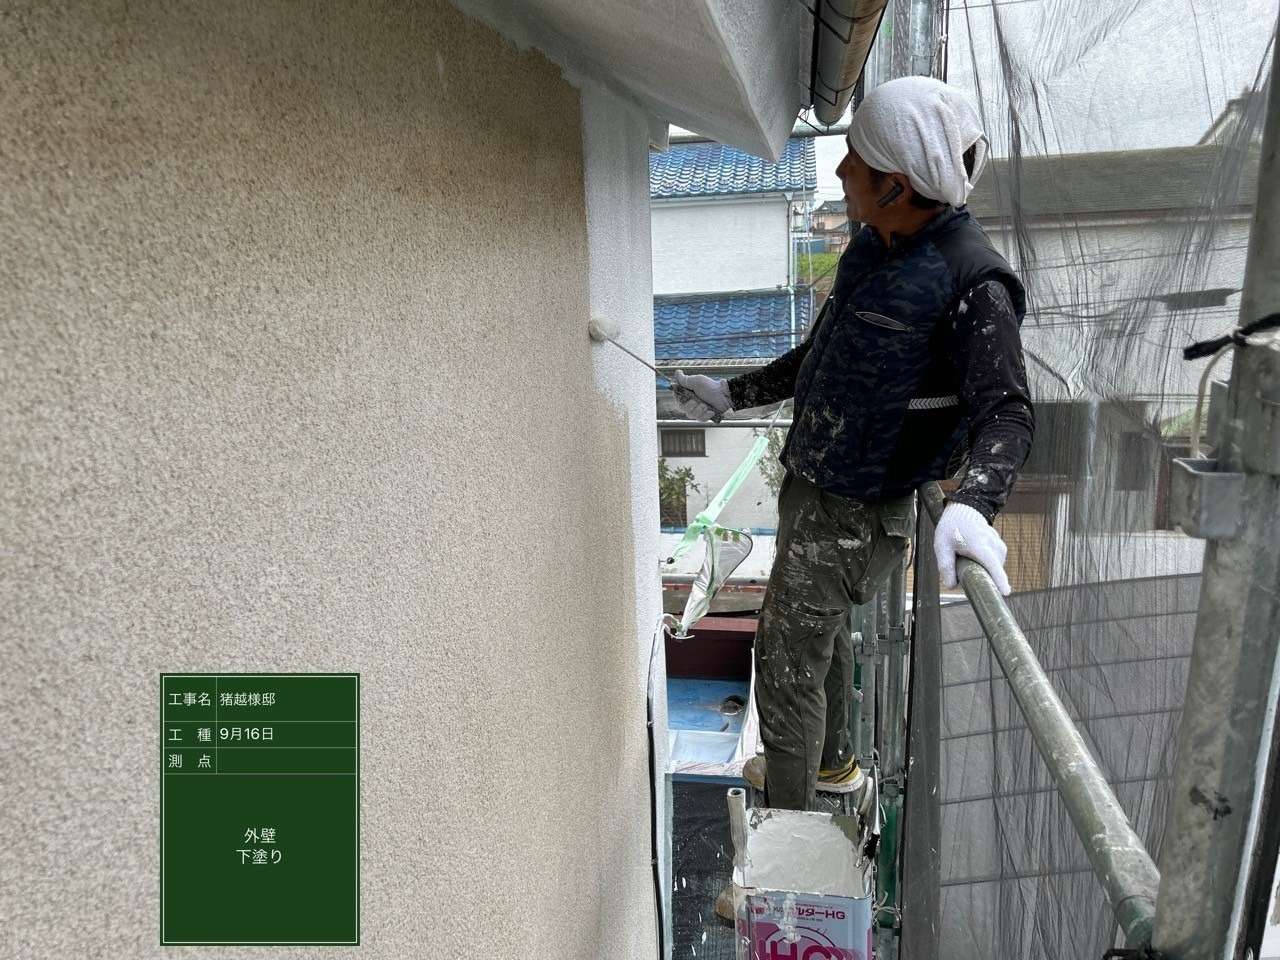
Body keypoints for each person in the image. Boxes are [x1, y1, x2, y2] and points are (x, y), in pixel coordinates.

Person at [673, 76, 1034, 826]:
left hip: (859, 512)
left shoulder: (972, 281)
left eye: (855, 162)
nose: (840, 173)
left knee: (782, 663)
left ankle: (791, 835)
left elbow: (1007, 412)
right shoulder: (878, 244)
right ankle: (831, 765)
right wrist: (732, 393)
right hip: (818, 489)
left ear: (895, 187)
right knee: (818, 638)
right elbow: (823, 353)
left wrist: (975, 503)